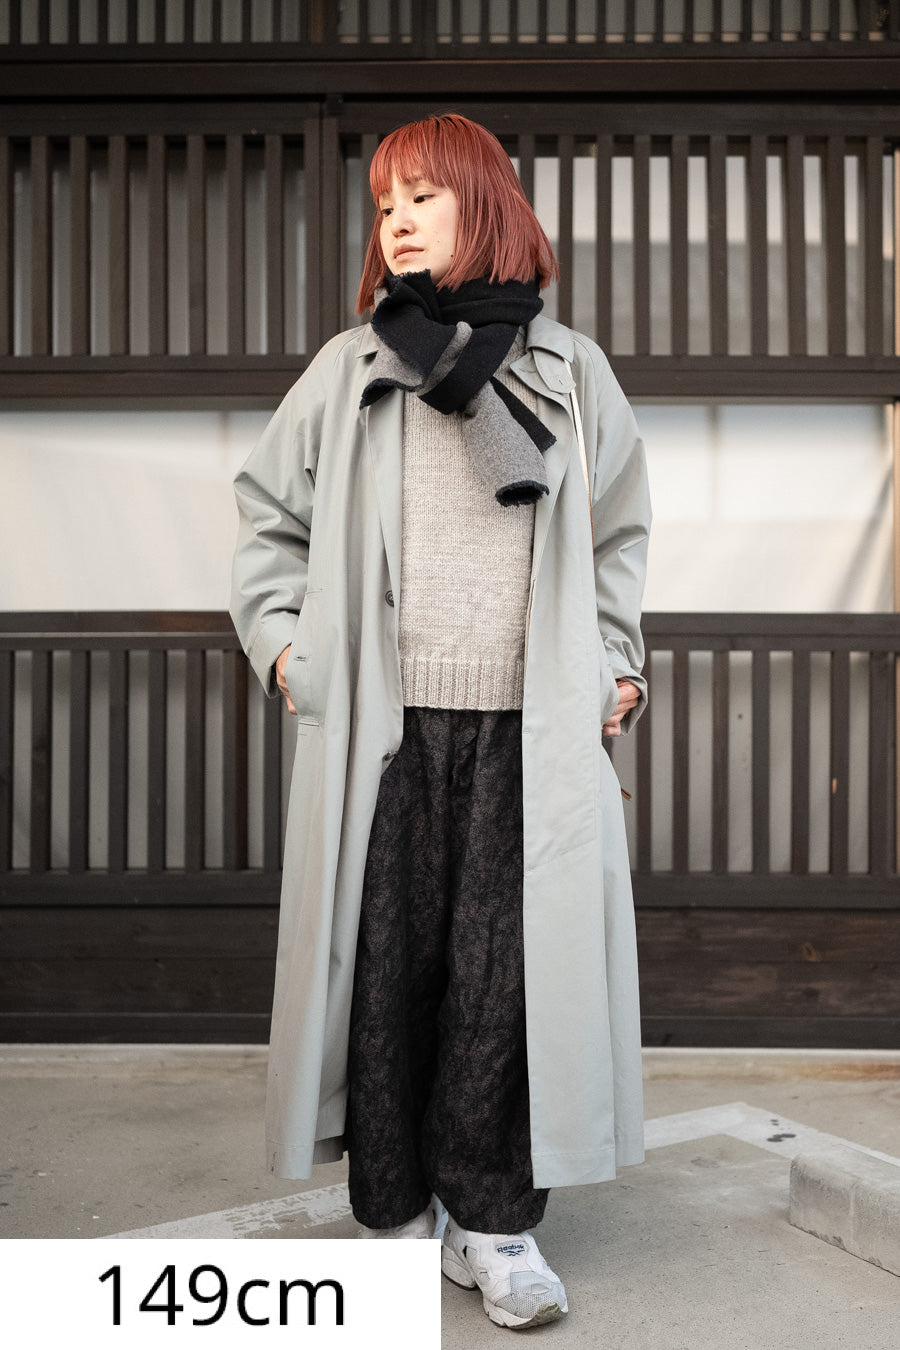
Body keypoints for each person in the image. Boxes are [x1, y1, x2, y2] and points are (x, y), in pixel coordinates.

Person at [230, 112, 650, 1330]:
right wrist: (284, 649)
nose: (398, 220)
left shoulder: (571, 372)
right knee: (390, 977)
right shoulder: (351, 367)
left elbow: (617, 537)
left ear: (488, 203)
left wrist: (616, 662)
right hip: (388, 729)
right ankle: (397, 1215)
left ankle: (495, 1222)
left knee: (501, 983)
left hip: (529, 727)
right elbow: (267, 518)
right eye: (385, 203)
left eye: (424, 194)